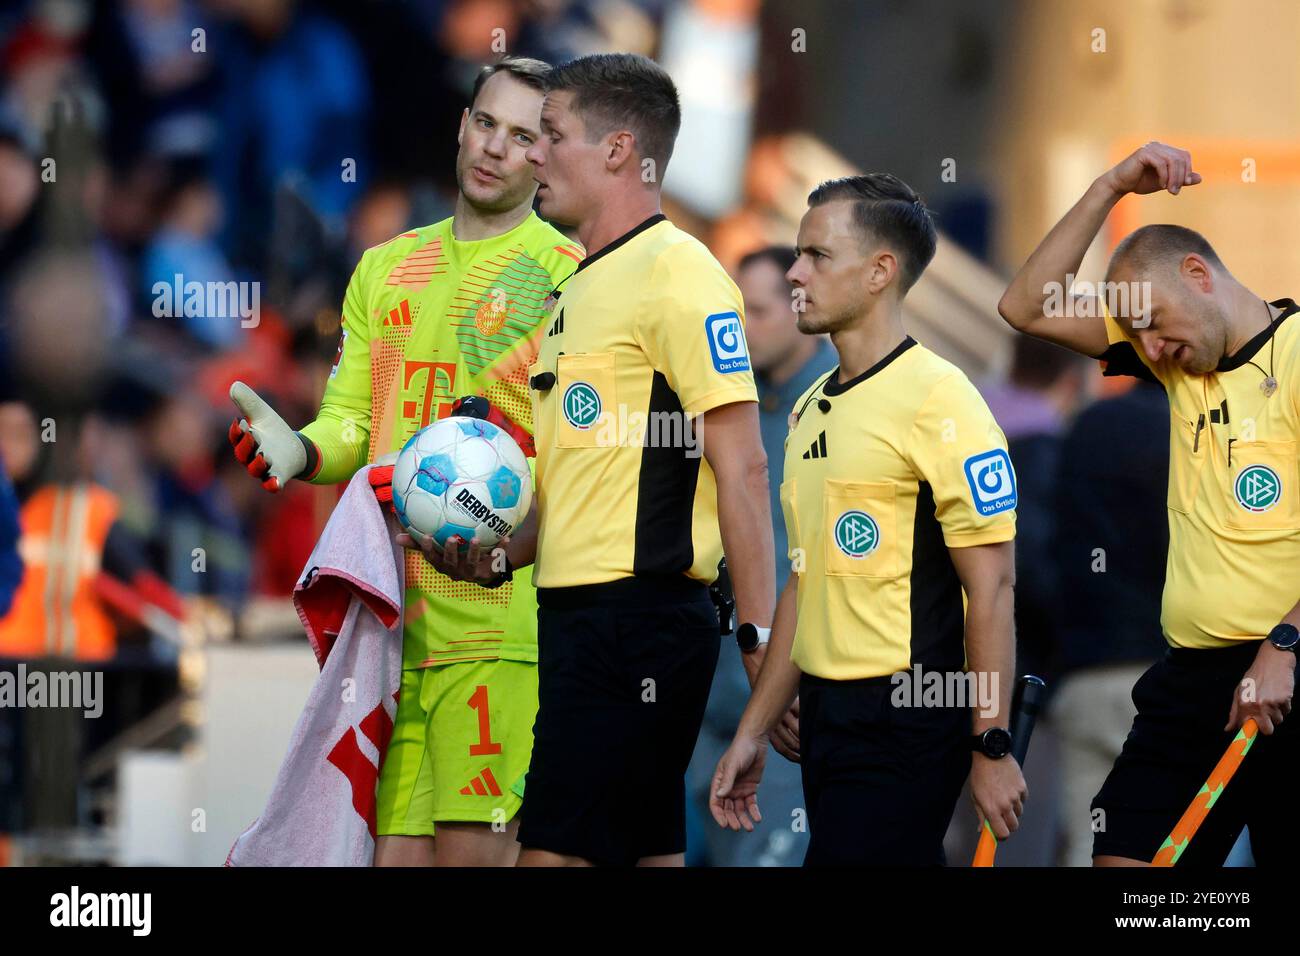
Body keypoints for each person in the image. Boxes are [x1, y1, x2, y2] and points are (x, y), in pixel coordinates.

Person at [424, 52, 782, 867]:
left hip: (640, 617)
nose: (534, 155)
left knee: (548, 851)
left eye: (551, 135)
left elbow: (745, 466)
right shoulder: (576, 291)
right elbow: (573, 487)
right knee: (642, 851)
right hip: (583, 617)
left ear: (619, 149)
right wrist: (496, 554)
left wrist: (759, 636)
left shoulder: (680, 274)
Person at [226, 57, 582, 867]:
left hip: (499, 622)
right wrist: (305, 448)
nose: (495, 148)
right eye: (486, 123)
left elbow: (576, 462)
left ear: (547, 157)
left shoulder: (565, 279)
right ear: (462, 125)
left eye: (525, 136)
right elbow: (355, 418)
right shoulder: (385, 267)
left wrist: (515, 545)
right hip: (390, 620)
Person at [710, 175, 1026, 866]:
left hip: (909, 716)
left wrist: (991, 743)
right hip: (826, 721)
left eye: (818, 256)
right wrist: (753, 730)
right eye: (798, 253)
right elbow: (805, 580)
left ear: (881, 271)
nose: (794, 272)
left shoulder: (942, 399)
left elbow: (994, 588)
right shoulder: (810, 407)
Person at [998, 141, 1298, 866]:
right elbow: (1023, 306)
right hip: (1191, 677)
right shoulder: (1167, 355)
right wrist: (1107, 186)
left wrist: (1283, 645)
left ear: (1198, 275)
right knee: (1122, 860)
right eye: (1134, 334)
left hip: (1285, 665)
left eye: (1156, 323)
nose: (1150, 350)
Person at [691, 245, 834, 866]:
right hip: (711, 701)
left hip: (791, 710)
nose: (740, 326)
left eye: (757, 309)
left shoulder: (839, 404)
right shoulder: (724, 404)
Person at [1049, 379, 1169, 867]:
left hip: (1082, 670)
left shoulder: (1088, 424)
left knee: (1088, 843)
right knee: (1173, 846)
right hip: (1164, 675)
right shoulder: (1186, 431)